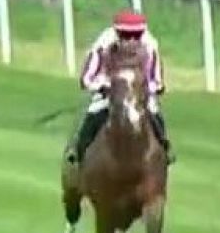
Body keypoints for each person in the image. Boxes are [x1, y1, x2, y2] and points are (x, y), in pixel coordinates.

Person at [66, 9, 172, 167]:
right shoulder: (103, 45)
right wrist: (103, 86)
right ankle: (79, 151)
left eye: (136, 36)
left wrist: (147, 88)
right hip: (109, 93)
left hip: (140, 95)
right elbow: (87, 78)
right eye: (125, 35)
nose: (131, 41)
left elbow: (156, 79)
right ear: (117, 32)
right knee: (93, 113)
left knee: (155, 114)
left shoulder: (150, 46)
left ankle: (164, 148)